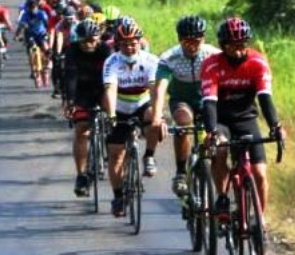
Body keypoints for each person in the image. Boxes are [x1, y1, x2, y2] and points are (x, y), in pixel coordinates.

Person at [200, 17, 284, 221]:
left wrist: (276, 126)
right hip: (220, 119)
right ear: (223, 45)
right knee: (220, 150)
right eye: (232, 46)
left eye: (242, 45)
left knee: (260, 173)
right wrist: (211, 132)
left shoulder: (257, 62)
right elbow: (209, 102)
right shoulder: (211, 65)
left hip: (246, 119)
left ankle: (259, 219)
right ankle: (222, 196)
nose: (238, 51)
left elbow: (265, 98)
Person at [152, 15, 221, 198]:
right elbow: (160, 89)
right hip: (182, 100)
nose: (192, 46)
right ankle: (181, 173)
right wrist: (157, 117)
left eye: (196, 41)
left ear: (203, 39)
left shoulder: (213, 55)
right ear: (179, 39)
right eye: (186, 41)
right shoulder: (169, 57)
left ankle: (217, 176)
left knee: (218, 135)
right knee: (184, 122)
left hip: (208, 100)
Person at [102, 21, 161, 217]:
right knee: (115, 153)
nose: (129, 47)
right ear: (118, 44)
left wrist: (158, 116)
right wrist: (111, 116)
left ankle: (149, 156)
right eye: (125, 43)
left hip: (142, 104)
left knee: (154, 117)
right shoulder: (112, 62)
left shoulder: (151, 60)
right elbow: (110, 89)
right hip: (120, 108)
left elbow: (154, 91)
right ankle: (118, 196)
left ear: (140, 42)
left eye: (133, 43)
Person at [63, 21, 112, 196]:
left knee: (114, 119)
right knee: (81, 129)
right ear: (79, 40)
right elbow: (70, 78)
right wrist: (70, 102)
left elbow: (112, 79)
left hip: (103, 89)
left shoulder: (105, 50)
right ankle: (81, 175)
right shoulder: (72, 50)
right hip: (82, 92)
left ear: (98, 39)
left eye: (93, 40)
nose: (89, 44)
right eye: (85, 41)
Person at [15, 0, 51, 86]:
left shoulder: (41, 13)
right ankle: (35, 73)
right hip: (31, 35)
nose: (33, 10)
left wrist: (49, 33)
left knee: (47, 50)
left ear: (37, 7)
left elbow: (48, 24)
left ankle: (45, 69)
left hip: (41, 33)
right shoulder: (25, 15)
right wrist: (17, 35)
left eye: (34, 8)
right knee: (32, 51)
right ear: (28, 8)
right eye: (31, 8)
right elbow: (21, 26)